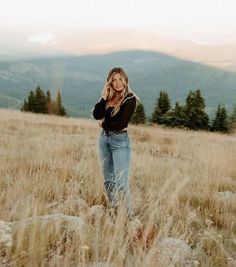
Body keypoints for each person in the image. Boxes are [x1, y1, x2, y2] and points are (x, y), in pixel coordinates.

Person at [92, 67, 139, 218]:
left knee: (121, 183)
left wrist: (103, 124)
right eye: (114, 80)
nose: (117, 83)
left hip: (120, 142)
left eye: (120, 79)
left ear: (125, 80)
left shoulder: (130, 99)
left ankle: (129, 217)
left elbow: (120, 124)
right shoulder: (109, 97)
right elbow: (96, 114)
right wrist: (104, 97)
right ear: (109, 82)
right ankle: (115, 210)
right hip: (104, 140)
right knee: (108, 181)